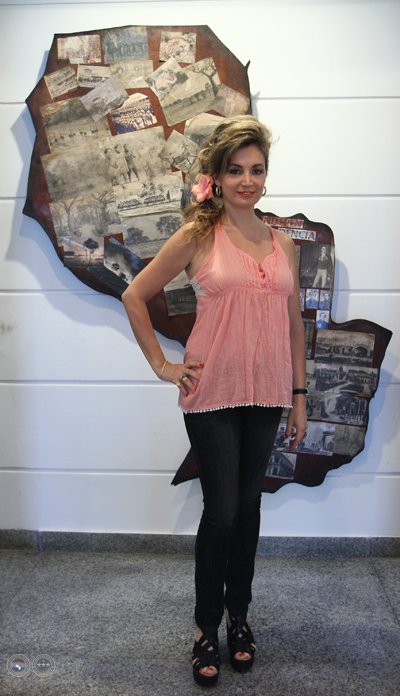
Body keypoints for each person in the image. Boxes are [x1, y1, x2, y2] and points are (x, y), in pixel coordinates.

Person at [121, 115, 308, 687]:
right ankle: (206, 629)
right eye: (236, 170)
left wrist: (299, 395)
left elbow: (293, 325)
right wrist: (163, 365)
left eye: (257, 170)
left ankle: (239, 619)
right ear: (218, 177)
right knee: (222, 511)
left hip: (268, 392)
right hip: (213, 394)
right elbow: (135, 295)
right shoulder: (197, 236)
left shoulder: (282, 244)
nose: (248, 181)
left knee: (248, 509)